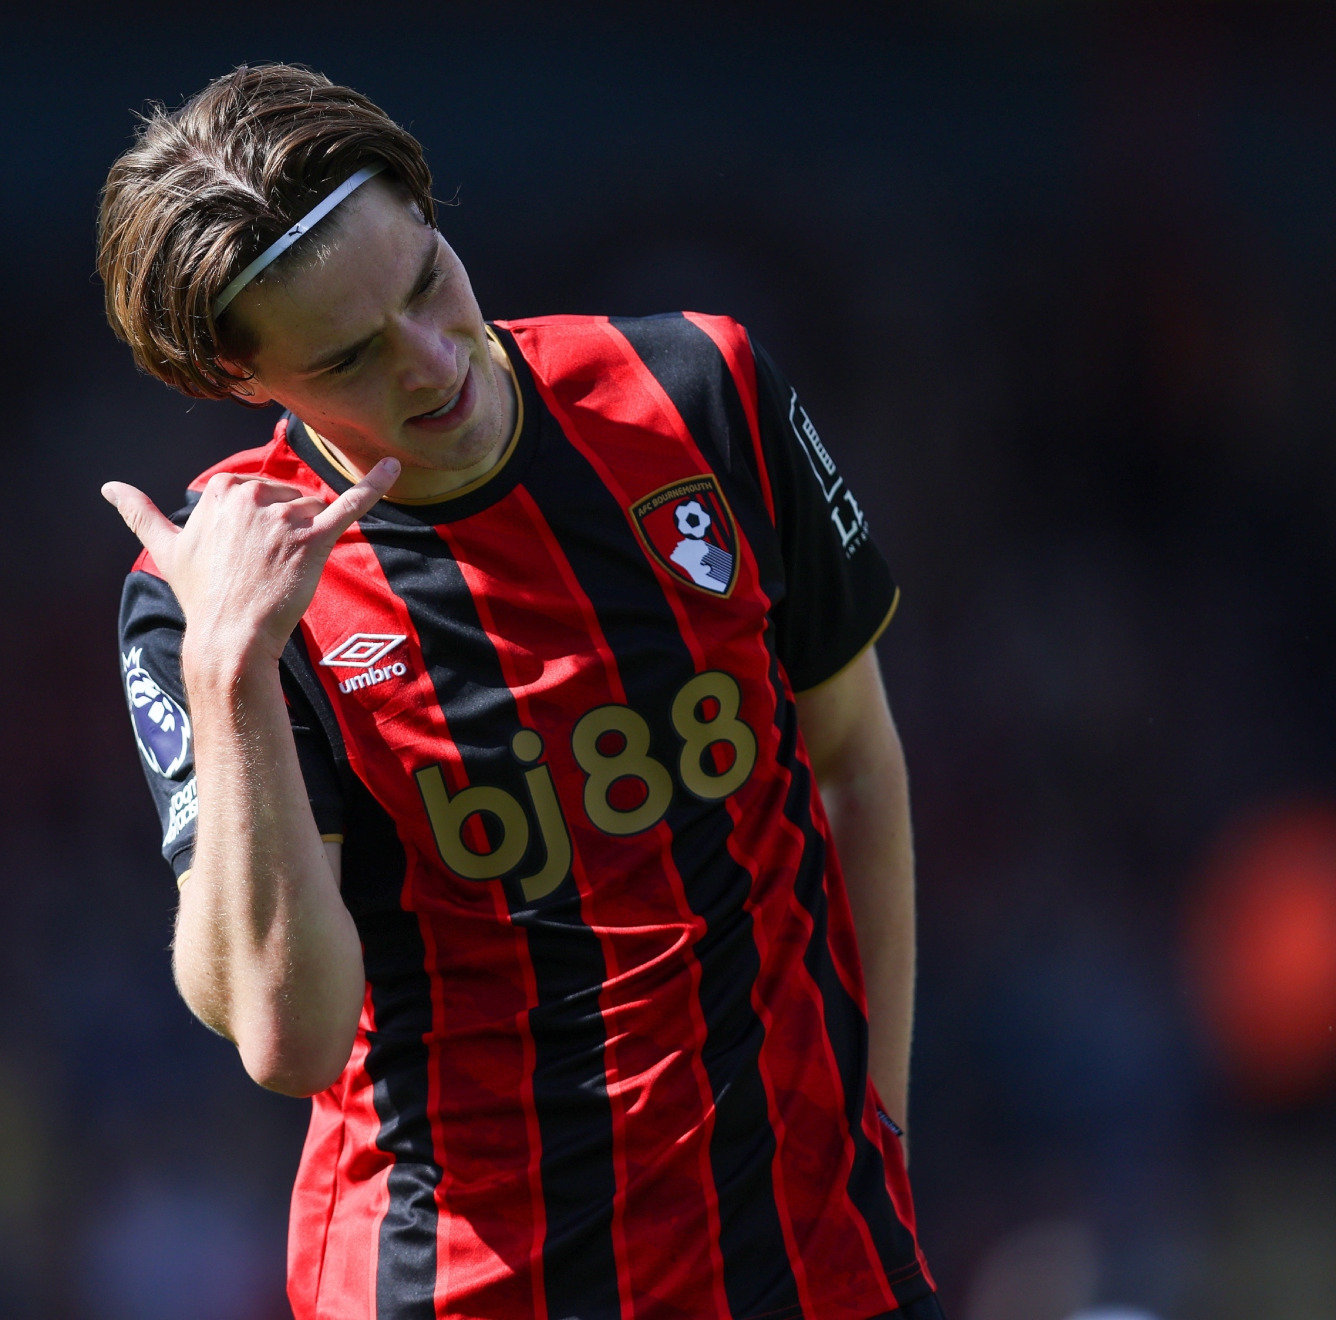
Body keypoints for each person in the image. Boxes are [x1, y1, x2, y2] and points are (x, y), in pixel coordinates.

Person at [96, 63, 939, 1320]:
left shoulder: (702, 395)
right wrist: (230, 676)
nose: (433, 364)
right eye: (351, 356)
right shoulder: (214, 600)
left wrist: (880, 1125)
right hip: (468, 1285)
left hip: (810, 1259)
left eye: (429, 282)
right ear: (241, 380)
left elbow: (856, 765)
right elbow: (290, 1038)